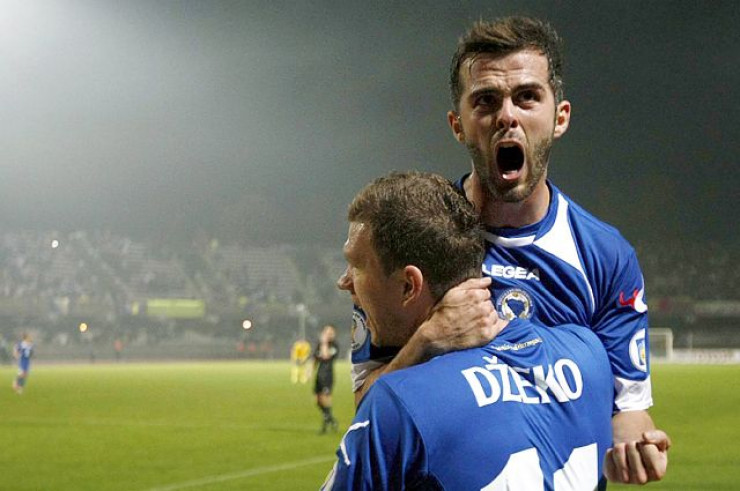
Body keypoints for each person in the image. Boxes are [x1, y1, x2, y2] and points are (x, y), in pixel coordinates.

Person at [350, 16, 670, 485]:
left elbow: (629, 409)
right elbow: (366, 411)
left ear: (559, 117)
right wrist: (427, 340)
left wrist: (634, 446)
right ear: (458, 125)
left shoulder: (605, 256)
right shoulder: (409, 239)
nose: (507, 116)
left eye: (527, 97)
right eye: (486, 100)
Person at [323, 171, 613, 489]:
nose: (344, 281)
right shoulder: (588, 352)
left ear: (409, 286)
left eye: (357, 265)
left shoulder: (399, 401)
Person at [314, 325, 339, 434]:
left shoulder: (334, 346)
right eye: (326, 332)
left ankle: (325, 423)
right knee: (317, 400)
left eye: (330, 333)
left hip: (328, 375)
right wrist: (310, 370)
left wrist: (324, 343)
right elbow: (315, 358)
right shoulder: (319, 345)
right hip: (319, 374)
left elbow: (325, 356)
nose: (328, 335)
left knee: (325, 398)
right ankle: (330, 419)